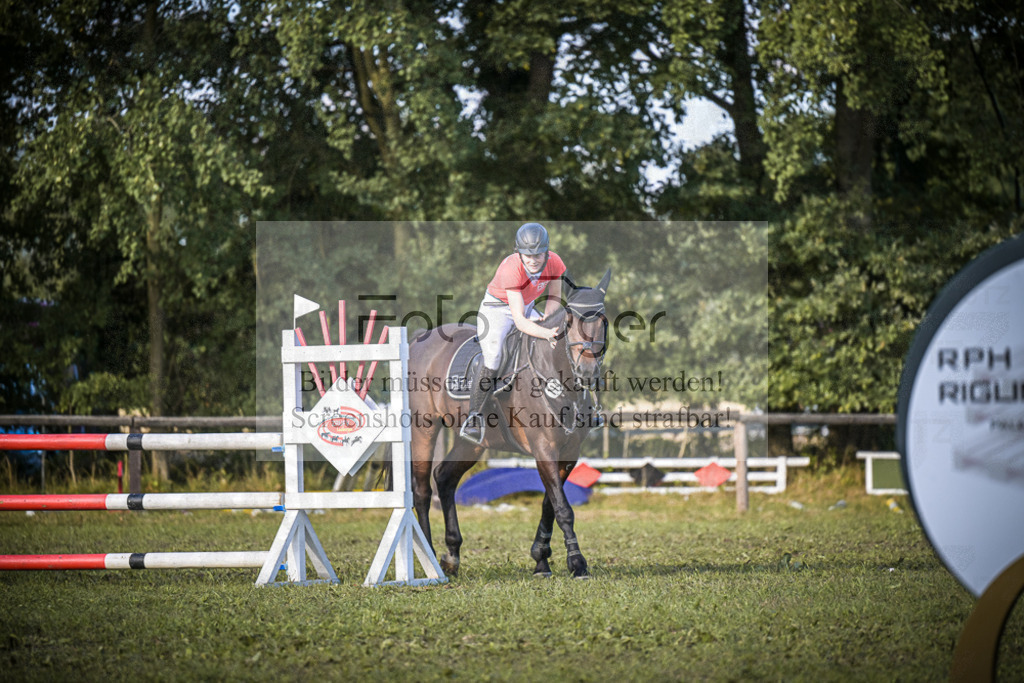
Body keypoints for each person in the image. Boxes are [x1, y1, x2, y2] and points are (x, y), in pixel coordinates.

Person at [460, 222, 566, 443]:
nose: (533, 259)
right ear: (519, 252)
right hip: (497, 310)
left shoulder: (554, 262)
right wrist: (545, 333)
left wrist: (547, 321)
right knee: (494, 357)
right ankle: (474, 416)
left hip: (526, 306)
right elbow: (518, 321)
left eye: (538, 254)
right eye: (527, 255)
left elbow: (554, 298)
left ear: (547, 252)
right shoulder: (511, 267)